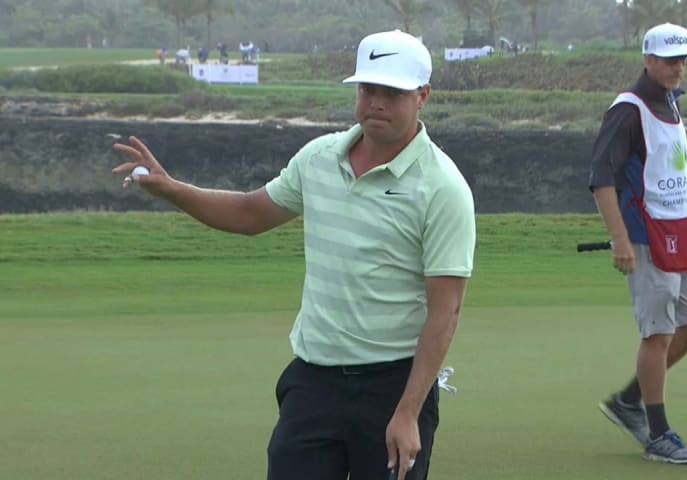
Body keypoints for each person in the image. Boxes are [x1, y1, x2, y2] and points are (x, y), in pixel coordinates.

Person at [112, 29, 476, 480]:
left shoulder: (443, 188)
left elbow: (447, 310)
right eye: (368, 89)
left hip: (393, 388)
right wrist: (171, 189)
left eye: (393, 92)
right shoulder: (319, 157)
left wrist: (408, 413)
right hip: (313, 382)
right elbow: (249, 214)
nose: (377, 101)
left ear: (422, 95)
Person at [588, 22, 687, 464]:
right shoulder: (629, 109)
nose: (679, 67)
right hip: (644, 236)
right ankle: (658, 434)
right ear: (649, 59)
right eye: (670, 59)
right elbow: (602, 178)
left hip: (679, 235)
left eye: (684, 59)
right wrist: (620, 239)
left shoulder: (672, 104)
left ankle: (628, 400)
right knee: (657, 334)